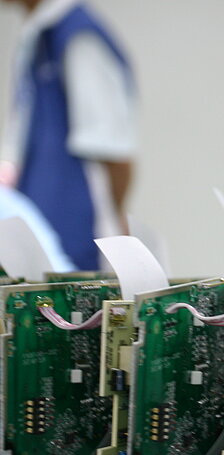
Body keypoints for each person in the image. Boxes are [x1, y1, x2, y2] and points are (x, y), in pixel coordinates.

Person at [0, 0, 136, 270]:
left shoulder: (78, 37)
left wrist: (118, 226)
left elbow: (115, 154)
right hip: (37, 219)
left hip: (75, 230)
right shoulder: (39, 37)